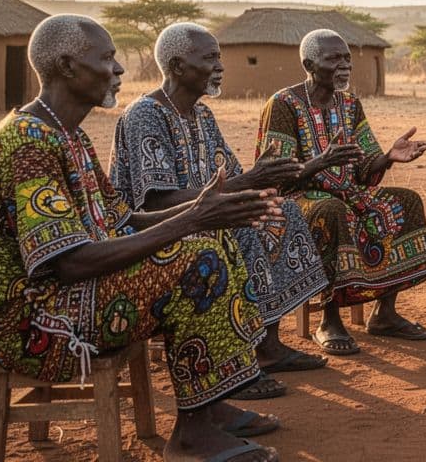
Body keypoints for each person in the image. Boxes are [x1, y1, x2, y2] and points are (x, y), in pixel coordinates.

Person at [0, 14, 287, 462]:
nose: (118, 70)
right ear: (68, 66)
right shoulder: (29, 142)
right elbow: (71, 262)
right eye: (107, 58)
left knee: (218, 238)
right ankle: (192, 437)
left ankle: (209, 405)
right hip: (34, 321)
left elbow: (123, 221)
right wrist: (193, 220)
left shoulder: (68, 134)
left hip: (69, 296)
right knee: (198, 259)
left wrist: (208, 210)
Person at [111, 23, 330, 400]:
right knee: (241, 229)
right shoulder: (146, 114)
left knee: (281, 214)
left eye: (219, 57)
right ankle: (232, 360)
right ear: (178, 65)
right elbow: (156, 201)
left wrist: (264, 181)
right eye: (209, 57)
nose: (220, 66)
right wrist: (246, 186)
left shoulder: (203, 116)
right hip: (160, 227)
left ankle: (267, 343)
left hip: (206, 216)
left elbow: (233, 175)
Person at [256, 29, 426, 356]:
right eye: (333, 59)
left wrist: (387, 158)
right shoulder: (284, 104)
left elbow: (365, 164)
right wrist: (320, 163)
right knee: (332, 211)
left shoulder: (351, 104)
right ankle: (328, 319)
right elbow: (275, 175)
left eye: (346, 59)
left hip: (348, 192)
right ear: (310, 64)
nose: (344, 66)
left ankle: (384, 312)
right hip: (298, 198)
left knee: (404, 202)